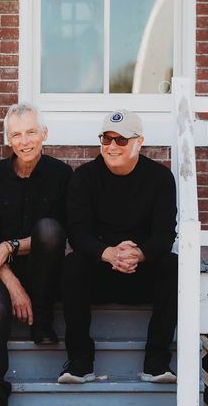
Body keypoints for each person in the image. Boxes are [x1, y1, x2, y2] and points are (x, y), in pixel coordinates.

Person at [59, 109, 179, 385]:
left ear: (139, 141)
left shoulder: (160, 178)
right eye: (106, 139)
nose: (112, 146)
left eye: (121, 140)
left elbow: (164, 235)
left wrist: (139, 253)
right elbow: (77, 233)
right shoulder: (85, 177)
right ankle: (79, 361)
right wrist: (108, 254)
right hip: (99, 272)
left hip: (142, 272)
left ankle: (156, 362)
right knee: (73, 263)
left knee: (172, 264)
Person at [0, 103, 72, 406]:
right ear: (8, 140)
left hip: (46, 268)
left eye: (31, 132)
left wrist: (10, 244)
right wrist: (13, 286)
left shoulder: (62, 175)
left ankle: (41, 320)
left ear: (44, 134)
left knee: (47, 229)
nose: (25, 140)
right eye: (17, 134)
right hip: (1, 270)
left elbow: (60, 232)